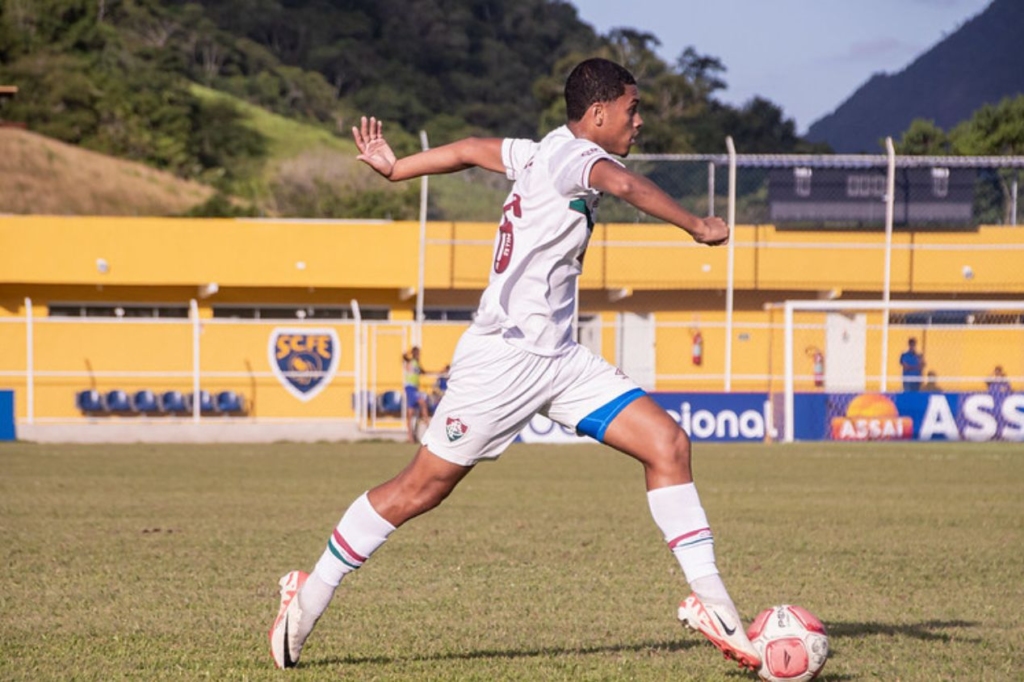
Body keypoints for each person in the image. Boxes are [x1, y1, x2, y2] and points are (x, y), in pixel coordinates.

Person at [269, 57, 760, 672]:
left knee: (668, 444)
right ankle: (307, 597)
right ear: (600, 113)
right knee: (418, 490)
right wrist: (696, 225)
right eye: (633, 109)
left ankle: (714, 604)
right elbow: (626, 186)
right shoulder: (576, 158)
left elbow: (474, 149)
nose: (639, 121)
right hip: (503, 361)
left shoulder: (539, 151)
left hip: (558, 359)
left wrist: (398, 169)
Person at [402, 346, 431, 442]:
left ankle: (410, 437)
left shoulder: (417, 364)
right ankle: (428, 428)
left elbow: (423, 372)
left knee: (410, 413)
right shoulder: (410, 361)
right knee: (422, 402)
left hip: (414, 388)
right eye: (418, 353)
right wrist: (411, 351)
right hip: (410, 388)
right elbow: (403, 356)